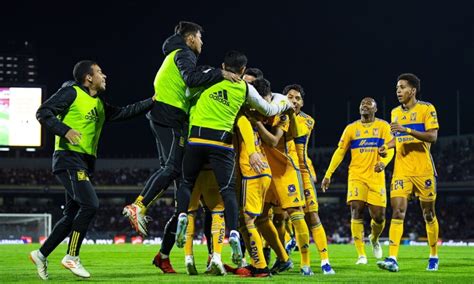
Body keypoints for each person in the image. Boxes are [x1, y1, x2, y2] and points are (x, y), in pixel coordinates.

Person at [122, 21, 240, 273]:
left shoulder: (175, 55)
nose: (201, 43)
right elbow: (192, 78)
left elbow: (189, 83)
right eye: (199, 38)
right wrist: (219, 74)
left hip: (169, 116)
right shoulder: (184, 54)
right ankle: (139, 206)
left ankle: (168, 255)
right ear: (190, 39)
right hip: (169, 115)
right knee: (175, 173)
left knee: (184, 199)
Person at [29, 60, 155, 280]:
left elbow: (125, 112)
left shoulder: (99, 105)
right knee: (90, 204)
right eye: (99, 72)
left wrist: (152, 101)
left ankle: (41, 253)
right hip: (68, 159)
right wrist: (64, 129)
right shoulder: (71, 93)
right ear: (88, 78)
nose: (104, 76)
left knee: (70, 215)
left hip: (83, 163)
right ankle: (72, 257)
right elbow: (43, 112)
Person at [377, 73, 440, 272]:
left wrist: (408, 130)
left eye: (402, 87)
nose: (398, 91)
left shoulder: (427, 109)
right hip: (401, 171)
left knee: (428, 214)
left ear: (412, 90)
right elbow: (397, 138)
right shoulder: (395, 112)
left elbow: (432, 136)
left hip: (423, 171)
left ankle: (433, 255)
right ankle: (393, 259)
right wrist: (386, 146)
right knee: (397, 212)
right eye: (397, 87)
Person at [322, 97, 394, 265]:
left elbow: (391, 147)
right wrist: (328, 174)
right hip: (356, 176)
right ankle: (361, 255)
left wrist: (383, 162)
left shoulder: (383, 126)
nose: (365, 106)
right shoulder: (351, 128)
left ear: (375, 109)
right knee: (356, 211)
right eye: (362, 104)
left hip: (376, 177)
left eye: (369, 105)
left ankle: (374, 239)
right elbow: (340, 151)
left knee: (379, 217)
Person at [285, 84, 335, 274]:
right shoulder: (274, 115)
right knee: (279, 217)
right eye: (290, 97)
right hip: (282, 172)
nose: (294, 101)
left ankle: (324, 261)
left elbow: (293, 132)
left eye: (298, 98)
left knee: (312, 215)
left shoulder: (307, 121)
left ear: (302, 102)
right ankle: (286, 252)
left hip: (301, 172)